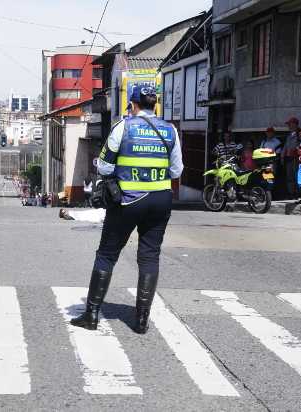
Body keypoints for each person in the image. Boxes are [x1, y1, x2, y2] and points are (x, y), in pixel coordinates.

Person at [70, 85, 183, 335]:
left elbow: (104, 166)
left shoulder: (123, 127)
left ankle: (91, 315)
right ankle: (141, 321)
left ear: (132, 104)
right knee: (150, 256)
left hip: (127, 201)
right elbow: (176, 171)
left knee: (107, 254)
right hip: (160, 200)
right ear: (155, 104)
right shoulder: (170, 130)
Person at [282, 117, 301, 199]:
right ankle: (291, 193)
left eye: (290, 124)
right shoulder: (289, 135)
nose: (289, 126)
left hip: (296, 158)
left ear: (295, 124)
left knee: (297, 176)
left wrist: (297, 149)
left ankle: (298, 193)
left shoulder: (299, 134)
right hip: (289, 157)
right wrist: (282, 156)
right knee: (289, 176)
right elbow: (285, 146)